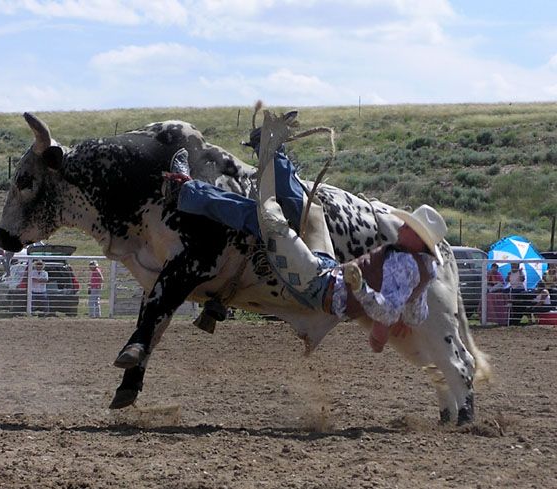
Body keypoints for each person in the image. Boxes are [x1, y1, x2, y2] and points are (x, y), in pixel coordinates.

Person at [113, 111, 448, 368]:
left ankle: (184, 189)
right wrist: (402, 317)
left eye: (410, 228)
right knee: (308, 210)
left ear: (418, 240)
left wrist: (363, 291)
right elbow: (408, 313)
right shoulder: (421, 268)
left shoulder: (409, 265)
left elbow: (385, 314)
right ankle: (269, 148)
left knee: (267, 220)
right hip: (328, 271)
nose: (402, 228)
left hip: (321, 286)